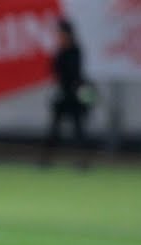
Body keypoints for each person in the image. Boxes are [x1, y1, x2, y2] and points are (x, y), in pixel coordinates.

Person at [42, 17, 92, 166]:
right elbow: (55, 71)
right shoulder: (60, 51)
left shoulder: (75, 51)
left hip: (75, 96)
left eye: (61, 33)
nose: (59, 36)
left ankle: (82, 160)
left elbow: (74, 74)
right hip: (63, 95)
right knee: (54, 130)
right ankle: (47, 159)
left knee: (78, 130)